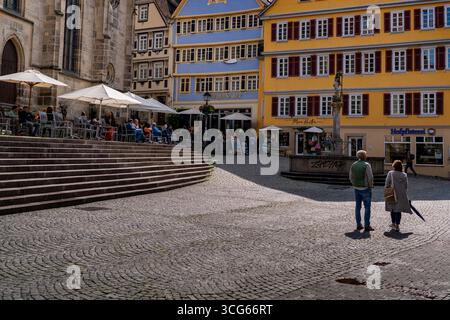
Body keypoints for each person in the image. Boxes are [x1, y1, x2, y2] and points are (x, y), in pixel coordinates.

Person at [349, 150, 375, 232]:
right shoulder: (366, 165)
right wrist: (370, 186)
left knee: (358, 206)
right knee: (367, 207)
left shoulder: (354, 164)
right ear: (365, 156)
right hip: (365, 188)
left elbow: (350, 176)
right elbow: (370, 177)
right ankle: (367, 225)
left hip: (356, 188)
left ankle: (358, 224)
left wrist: (354, 184)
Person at [385, 160, 413, 232]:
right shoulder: (404, 175)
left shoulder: (390, 173)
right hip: (401, 194)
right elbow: (406, 186)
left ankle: (393, 223)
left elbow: (387, 184)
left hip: (392, 193)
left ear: (394, 166)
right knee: (398, 210)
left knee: (393, 209)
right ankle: (397, 225)